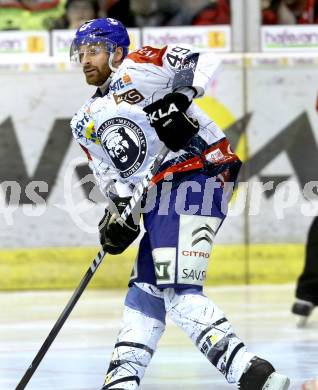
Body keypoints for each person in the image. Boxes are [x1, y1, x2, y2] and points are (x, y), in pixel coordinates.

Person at [70, 17, 290, 390]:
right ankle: (121, 380)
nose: (86, 59)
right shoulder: (84, 122)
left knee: (176, 288)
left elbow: (201, 59)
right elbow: (114, 179)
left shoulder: (141, 64)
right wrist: (118, 216)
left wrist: (181, 96)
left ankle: (254, 375)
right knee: (145, 292)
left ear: (117, 52)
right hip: (159, 195)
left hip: (200, 173)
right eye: (82, 53)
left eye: (95, 50)